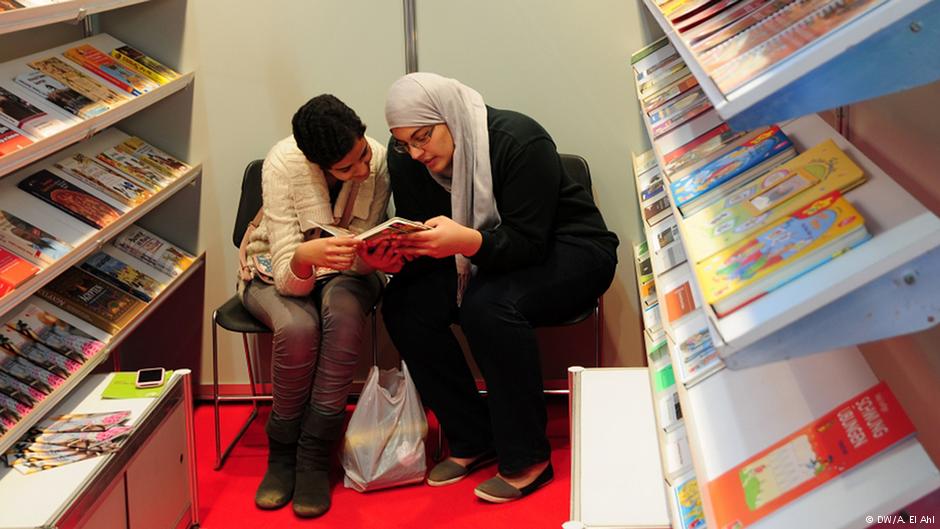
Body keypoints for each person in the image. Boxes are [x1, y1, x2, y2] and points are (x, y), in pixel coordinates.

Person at [375, 72, 619, 503]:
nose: (415, 152)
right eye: (403, 142)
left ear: (448, 117)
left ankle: (528, 460)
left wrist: (466, 240)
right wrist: (396, 256)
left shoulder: (518, 140)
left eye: (423, 137)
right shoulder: (407, 161)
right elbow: (423, 230)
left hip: (570, 249)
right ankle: (471, 436)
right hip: (475, 255)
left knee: (487, 306)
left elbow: (529, 242)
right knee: (403, 304)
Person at [238, 94, 396, 517]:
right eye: (347, 168)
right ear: (316, 164)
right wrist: (309, 256)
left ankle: (313, 452)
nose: (363, 169)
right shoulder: (282, 166)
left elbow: (362, 248)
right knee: (299, 328)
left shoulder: (377, 160)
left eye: (362, 153)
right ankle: (282, 451)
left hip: (347, 272)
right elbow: (289, 278)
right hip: (276, 267)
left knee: (343, 316)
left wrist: (373, 258)